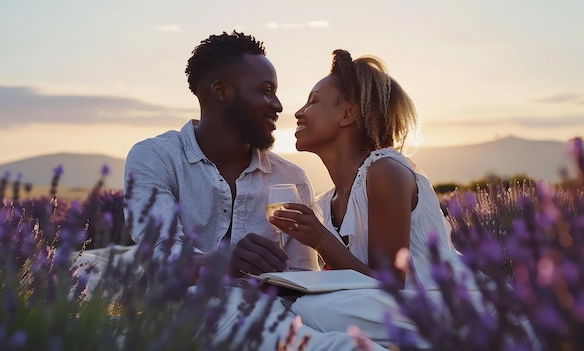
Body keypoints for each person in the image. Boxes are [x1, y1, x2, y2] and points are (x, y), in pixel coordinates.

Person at [267, 49, 481, 349]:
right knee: (298, 306)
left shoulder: (384, 170)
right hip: (386, 308)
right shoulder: (328, 201)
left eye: (313, 101)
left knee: (306, 310)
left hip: (439, 303)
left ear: (347, 114)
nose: (300, 112)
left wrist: (321, 239)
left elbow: (390, 284)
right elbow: (359, 284)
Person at [123, 31, 320, 278]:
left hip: (270, 313)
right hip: (183, 314)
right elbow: (160, 253)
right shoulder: (156, 158)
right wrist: (222, 263)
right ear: (221, 91)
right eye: (266, 90)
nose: (278, 105)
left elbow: (304, 277)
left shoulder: (292, 178)